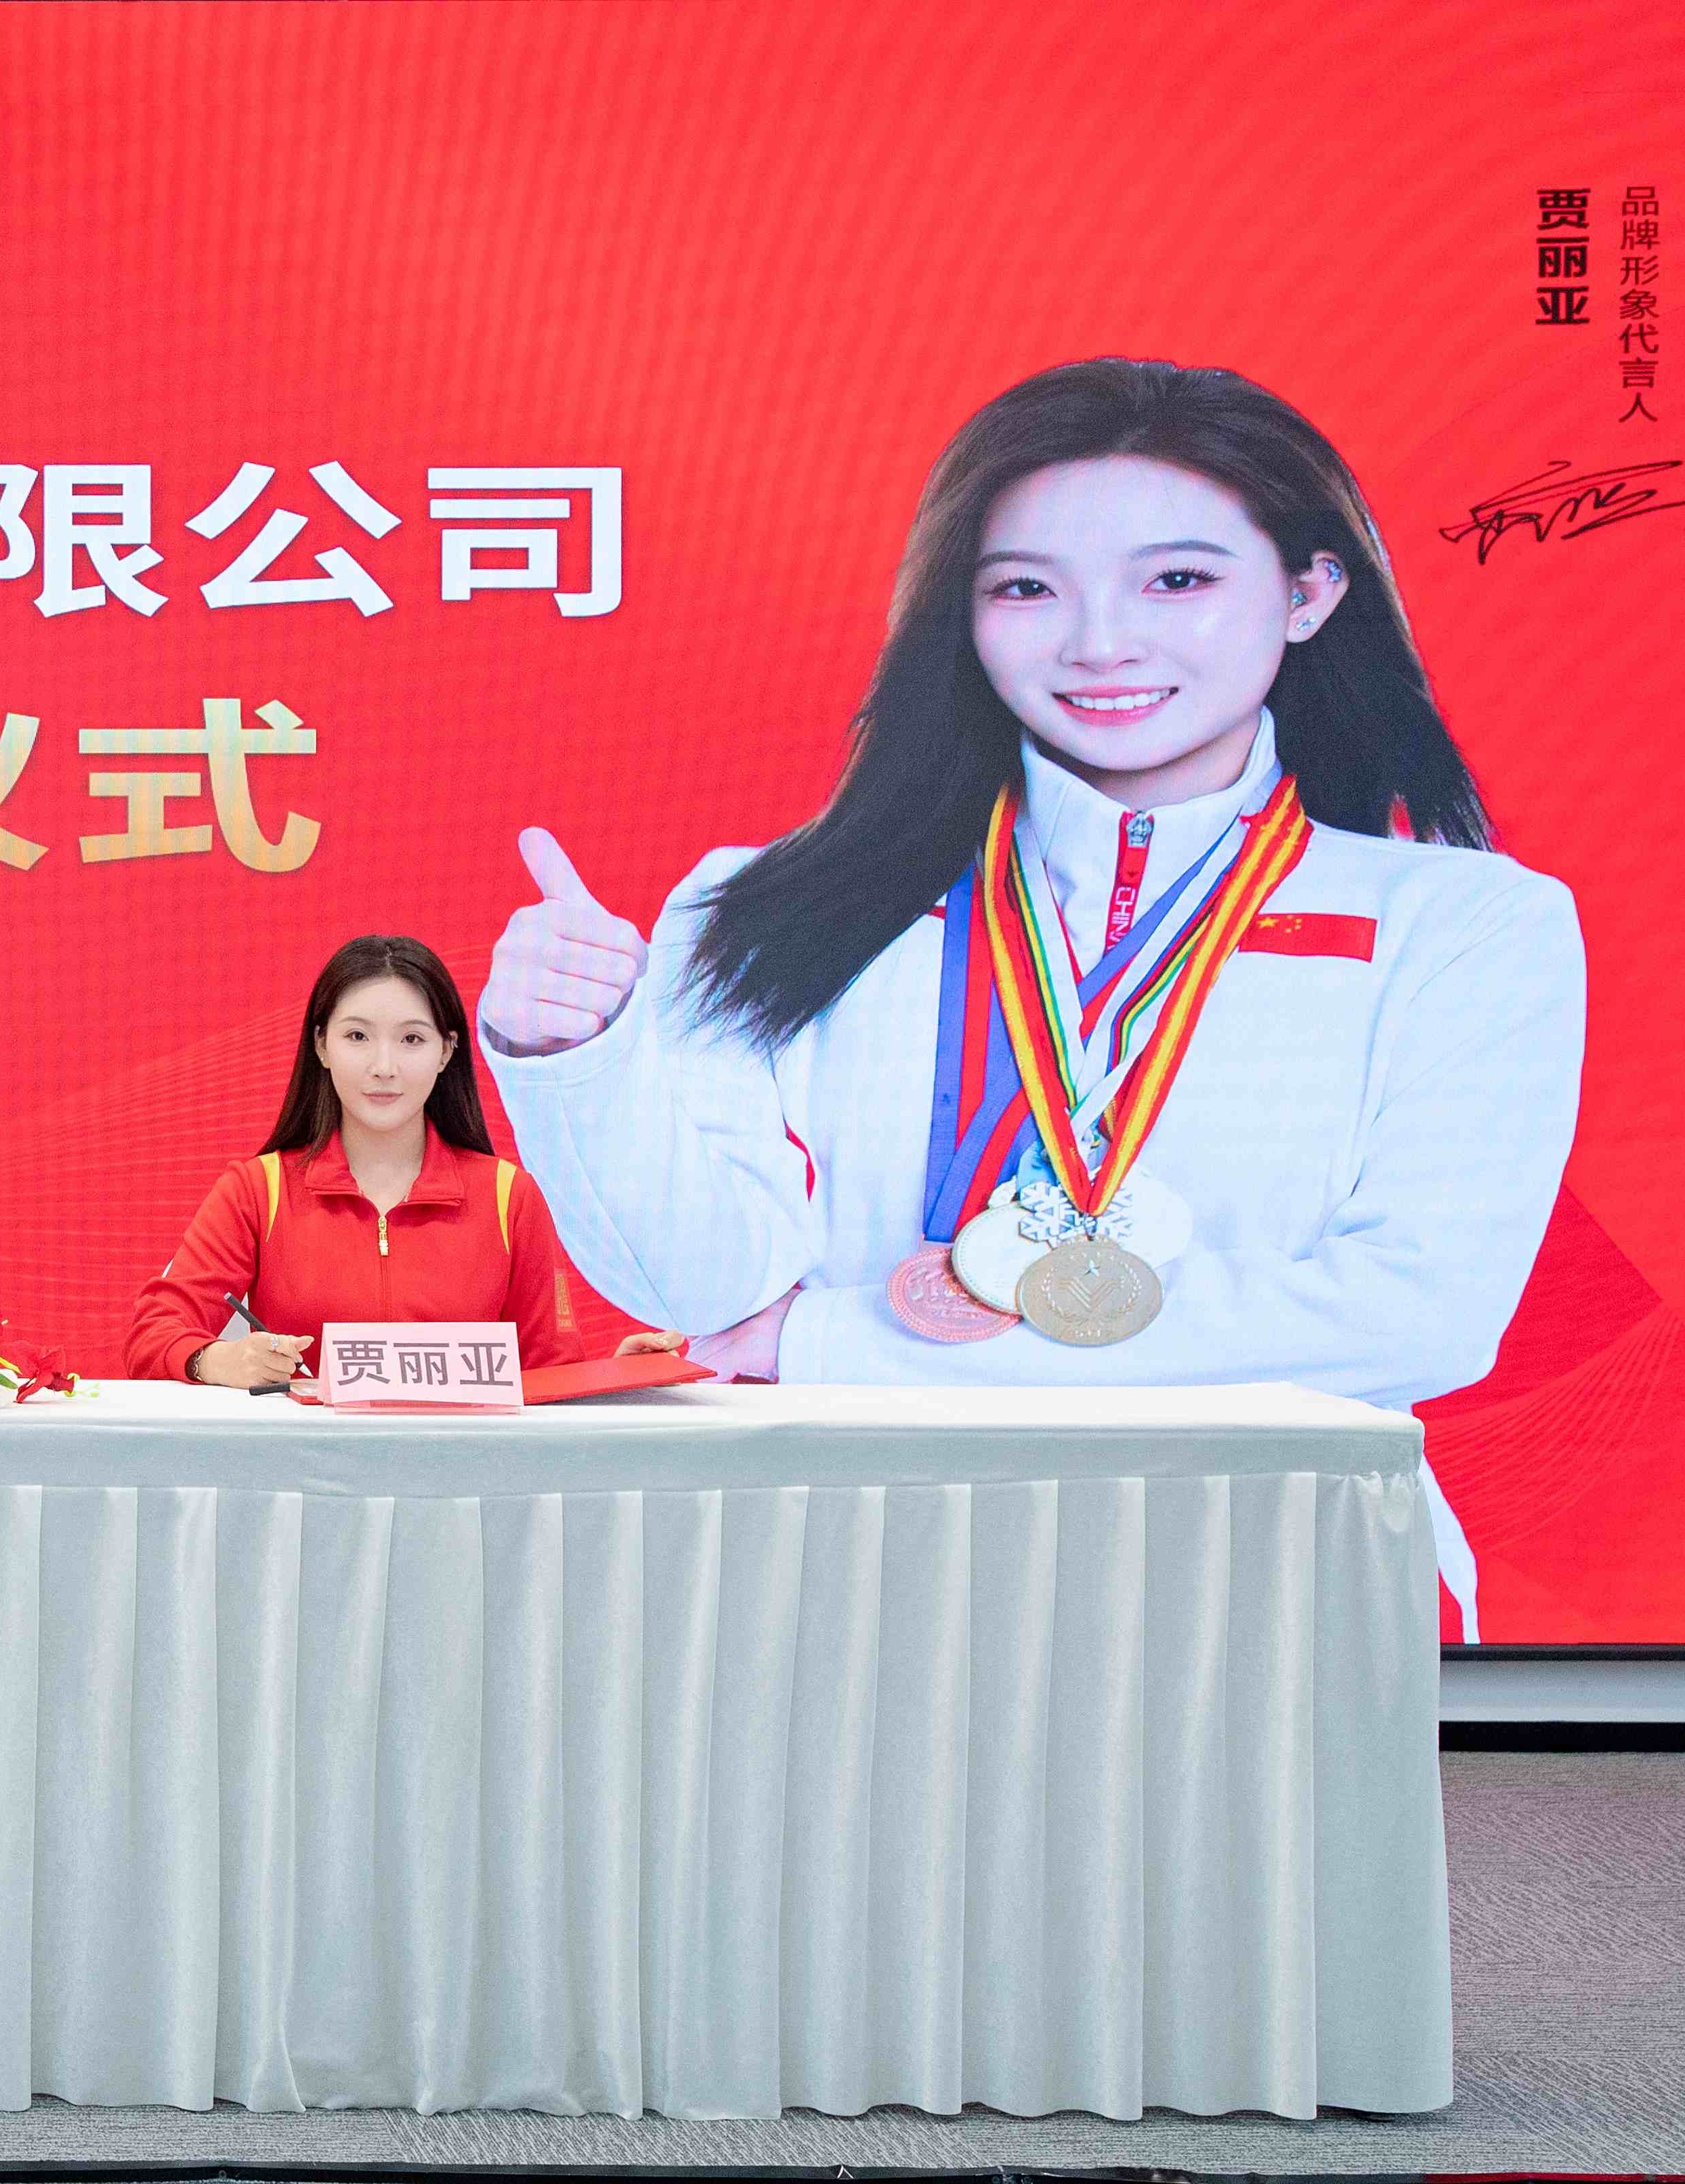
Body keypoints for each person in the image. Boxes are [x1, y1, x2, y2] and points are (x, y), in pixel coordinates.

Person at [475, 358, 1584, 1639]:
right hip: (861, 1559)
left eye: (1175, 581)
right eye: (1023, 588)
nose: (1098, 643)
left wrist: (833, 1345)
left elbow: (1415, 1314)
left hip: (1265, 1578)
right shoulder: (765, 904)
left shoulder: (1458, 924)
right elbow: (706, 1294)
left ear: (1306, 593)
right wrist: (574, 1059)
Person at [126, 935, 679, 1386]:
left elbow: (547, 1376)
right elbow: (152, 1335)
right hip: (306, 1478)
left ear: (446, 1050)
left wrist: (616, 1378)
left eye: (412, 1039)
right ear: (321, 1046)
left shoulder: (509, 1196)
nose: (384, 1066)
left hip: (461, 1481)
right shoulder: (257, 1190)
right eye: (358, 1036)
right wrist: (218, 1360)